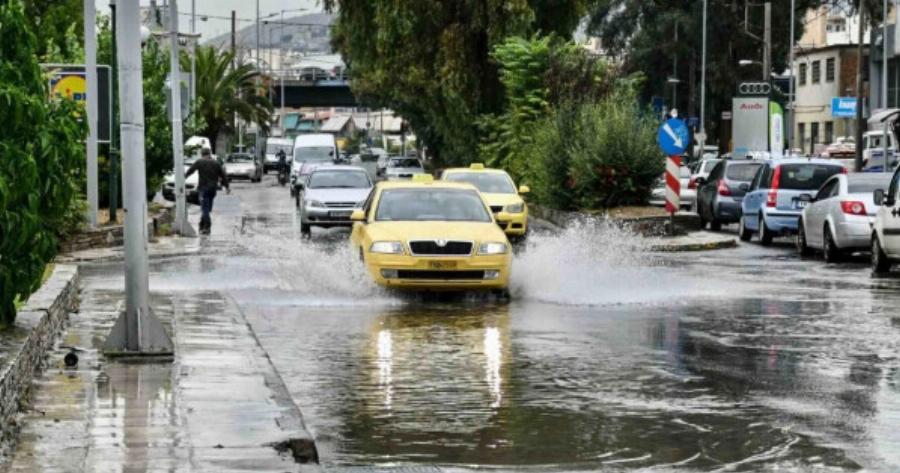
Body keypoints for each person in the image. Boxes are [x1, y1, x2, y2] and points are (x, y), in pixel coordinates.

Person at [185, 148, 229, 235]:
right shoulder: (216, 163)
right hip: (213, 189)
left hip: (203, 188)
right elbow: (223, 175)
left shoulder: (199, 162)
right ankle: (201, 224)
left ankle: (207, 227)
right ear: (210, 154)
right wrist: (227, 187)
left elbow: (191, 170)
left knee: (205, 208)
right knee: (207, 209)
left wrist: (183, 177)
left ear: (202, 154)